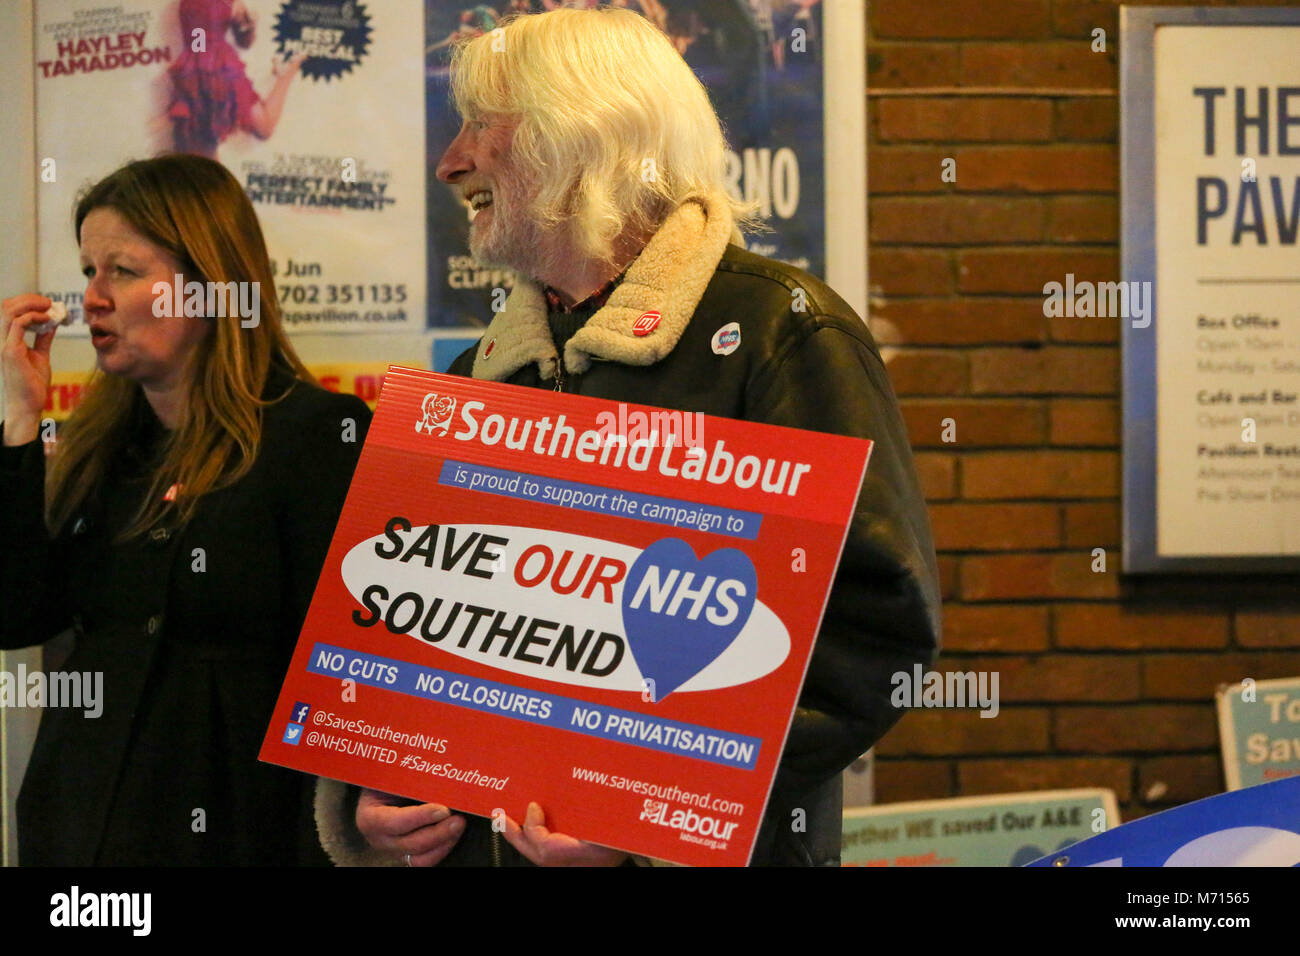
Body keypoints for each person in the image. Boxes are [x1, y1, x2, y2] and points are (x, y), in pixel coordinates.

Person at [315, 6, 940, 867]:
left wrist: (641, 817)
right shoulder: (473, 379)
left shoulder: (779, 333)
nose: (449, 161)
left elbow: (872, 635)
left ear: (580, 130)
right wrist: (373, 795)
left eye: (479, 125)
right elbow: (404, 649)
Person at [0, 154, 371, 865]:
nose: (92, 298)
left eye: (124, 271)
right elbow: (17, 612)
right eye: (87, 271)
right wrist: (20, 417)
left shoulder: (313, 434)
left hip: (232, 833)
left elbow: (341, 686)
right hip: (84, 837)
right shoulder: (101, 446)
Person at [166, 0, 306, 157]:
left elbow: (202, 38)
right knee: (261, 127)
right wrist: (249, 25)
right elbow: (245, 42)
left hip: (196, 70)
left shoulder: (189, 3)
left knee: (197, 145)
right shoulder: (230, 3)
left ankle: (289, 70)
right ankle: (289, 71)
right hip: (215, 68)